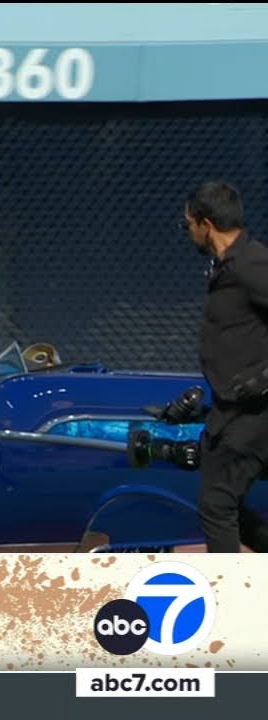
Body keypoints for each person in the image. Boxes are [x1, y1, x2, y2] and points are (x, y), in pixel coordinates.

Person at [180, 180, 268, 552]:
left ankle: (233, 603)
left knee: (217, 504)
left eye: (187, 224)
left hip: (256, 410)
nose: (187, 232)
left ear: (206, 223)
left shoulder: (251, 265)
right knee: (221, 504)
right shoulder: (228, 267)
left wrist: (263, 379)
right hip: (230, 409)